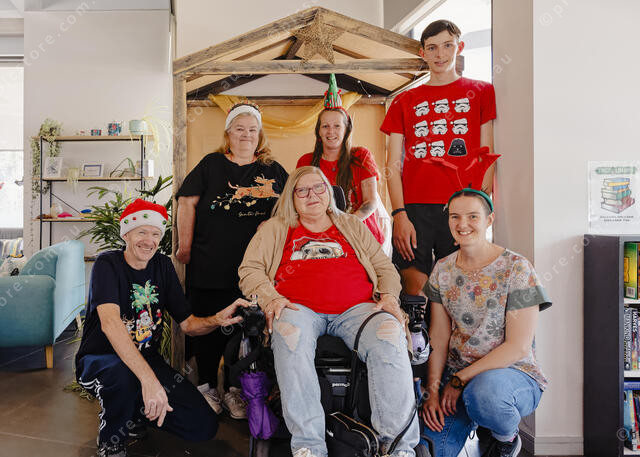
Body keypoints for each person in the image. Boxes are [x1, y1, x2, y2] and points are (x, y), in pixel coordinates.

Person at [238, 166, 419, 457]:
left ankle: (398, 448)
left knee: (389, 335)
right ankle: (309, 447)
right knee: (289, 336)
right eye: (302, 190)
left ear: (328, 192)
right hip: (297, 307)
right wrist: (271, 299)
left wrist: (388, 296)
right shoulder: (276, 228)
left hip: (359, 308)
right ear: (292, 197)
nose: (312, 195)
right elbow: (250, 270)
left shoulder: (351, 225)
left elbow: (384, 267)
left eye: (318, 187)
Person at [75, 199, 251, 457]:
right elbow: (111, 324)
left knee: (202, 425)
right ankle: (112, 440)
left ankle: (135, 415)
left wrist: (216, 320)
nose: (149, 241)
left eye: (156, 234)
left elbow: (188, 324)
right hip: (101, 359)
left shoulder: (162, 266)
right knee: (124, 378)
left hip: (147, 358)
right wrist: (149, 381)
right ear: (126, 234)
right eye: (141, 232)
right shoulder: (108, 264)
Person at [175, 101, 288, 418]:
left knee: (245, 331)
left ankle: (236, 390)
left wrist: (274, 222)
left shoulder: (272, 170)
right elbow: (186, 202)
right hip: (210, 264)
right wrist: (184, 247)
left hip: (255, 271)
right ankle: (207, 386)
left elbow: (292, 206)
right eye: (239, 128)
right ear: (228, 133)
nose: (246, 134)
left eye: (252, 129)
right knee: (209, 329)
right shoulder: (211, 164)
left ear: (260, 134)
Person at [420, 189, 551, 457]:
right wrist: (433, 391)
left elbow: (517, 346)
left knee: (485, 396)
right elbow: (439, 338)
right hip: (457, 377)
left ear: (489, 220)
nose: (462, 224)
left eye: (472, 216)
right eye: (455, 217)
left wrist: (460, 380)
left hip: (510, 375)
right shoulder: (442, 269)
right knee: (428, 450)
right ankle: (478, 422)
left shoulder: (517, 267)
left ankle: (505, 438)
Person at [380, 20, 497, 296]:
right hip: (414, 209)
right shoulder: (403, 101)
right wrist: (399, 214)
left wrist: (479, 209)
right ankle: (418, 328)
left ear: (460, 47)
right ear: (423, 53)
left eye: (447, 46)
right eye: (432, 48)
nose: (440, 54)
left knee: (459, 289)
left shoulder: (482, 91)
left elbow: (487, 154)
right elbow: (392, 164)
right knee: (413, 291)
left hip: (461, 204)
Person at [297, 74, 386, 246]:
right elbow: (301, 204)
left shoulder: (361, 156)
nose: (331, 131)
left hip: (362, 236)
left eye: (337, 126)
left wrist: (345, 224)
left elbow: (370, 202)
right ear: (318, 131)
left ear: (346, 130)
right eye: (325, 126)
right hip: (321, 238)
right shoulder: (305, 162)